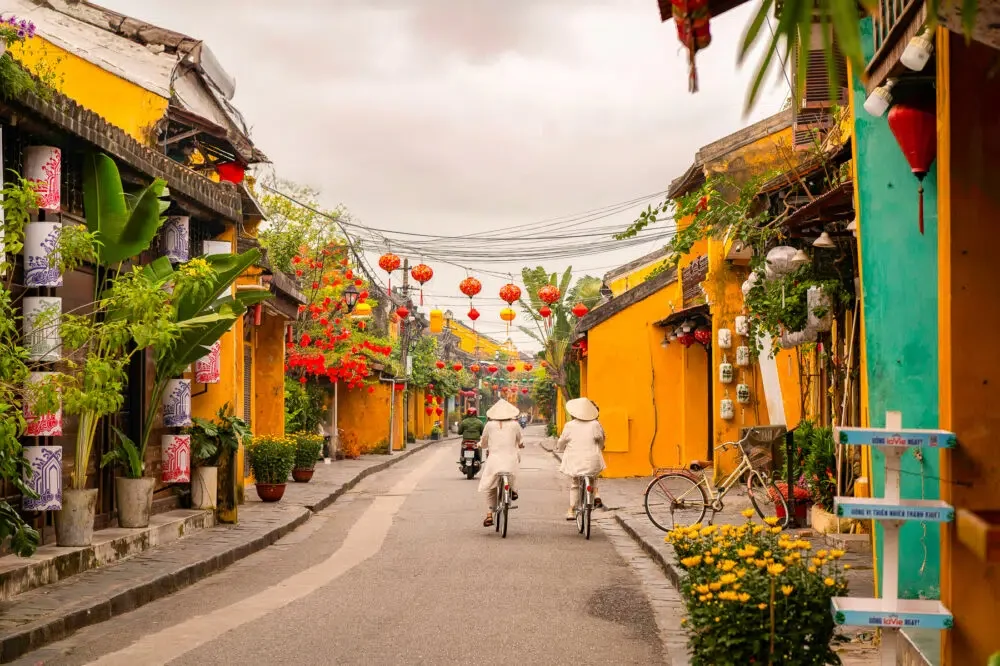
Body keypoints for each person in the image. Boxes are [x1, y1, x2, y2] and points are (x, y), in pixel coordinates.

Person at [556, 397, 606, 520]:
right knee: (593, 477)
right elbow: (601, 440)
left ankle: (571, 510)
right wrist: (600, 447)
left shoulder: (570, 425)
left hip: (576, 461)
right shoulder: (595, 424)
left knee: (575, 483)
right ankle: (596, 494)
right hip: (592, 462)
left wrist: (560, 448)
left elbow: (561, 442)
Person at [477, 399, 524, 527]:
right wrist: (520, 444)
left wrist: (481, 445)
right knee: (514, 467)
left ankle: (489, 515)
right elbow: (520, 441)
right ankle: (513, 490)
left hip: (494, 461)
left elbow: (484, 442)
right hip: (510, 460)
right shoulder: (515, 425)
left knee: (490, 487)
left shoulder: (489, 425)